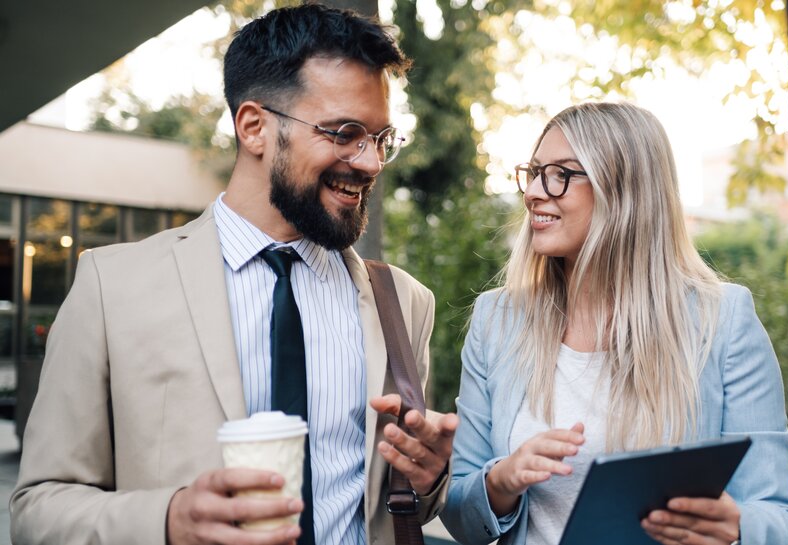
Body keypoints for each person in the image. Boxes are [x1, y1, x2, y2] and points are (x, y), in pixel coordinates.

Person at [11, 5, 457, 545]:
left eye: (381, 138)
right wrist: (169, 520)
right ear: (254, 127)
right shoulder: (111, 286)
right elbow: (37, 509)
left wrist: (429, 476)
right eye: (345, 133)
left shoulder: (404, 302)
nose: (370, 163)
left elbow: (407, 503)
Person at [440, 102, 788, 545]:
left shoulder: (722, 322)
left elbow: (786, 523)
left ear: (625, 190)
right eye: (534, 173)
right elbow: (459, 514)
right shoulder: (497, 320)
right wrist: (500, 481)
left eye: (560, 174)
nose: (534, 192)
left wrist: (737, 527)